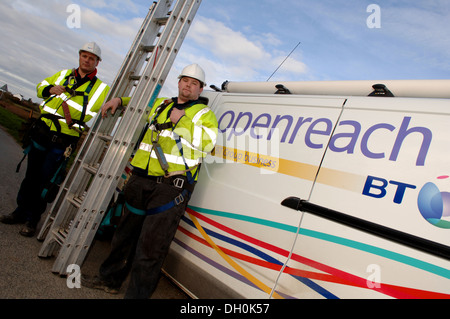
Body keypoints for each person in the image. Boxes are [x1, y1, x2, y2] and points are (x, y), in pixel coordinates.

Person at [81, 63, 218, 298]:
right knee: (123, 236)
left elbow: (208, 143)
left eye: (194, 83)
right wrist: (120, 102)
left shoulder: (204, 114)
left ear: (200, 90)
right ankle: (109, 280)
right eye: (185, 80)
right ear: (178, 82)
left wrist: (181, 122)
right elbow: (139, 107)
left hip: (170, 188)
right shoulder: (162, 104)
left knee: (151, 248)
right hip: (140, 180)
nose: (188, 85)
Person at [0, 42, 110, 237]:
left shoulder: (101, 88)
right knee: (30, 176)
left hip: (63, 140)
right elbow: (40, 86)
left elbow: (117, 102)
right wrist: (50, 89)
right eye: (84, 56)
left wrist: (118, 101)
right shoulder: (63, 74)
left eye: (91, 58)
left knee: (46, 181)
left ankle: (32, 220)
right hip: (42, 131)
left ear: (97, 63)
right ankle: (19, 212)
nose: (87, 60)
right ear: (79, 57)